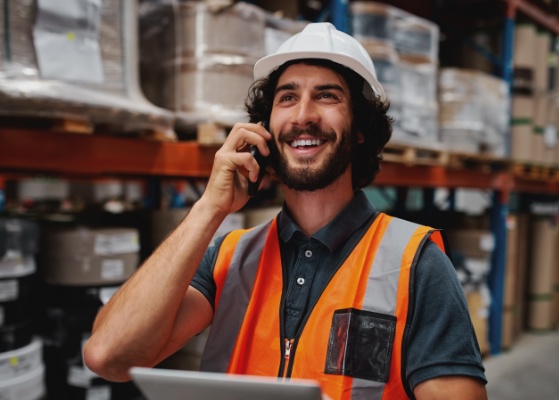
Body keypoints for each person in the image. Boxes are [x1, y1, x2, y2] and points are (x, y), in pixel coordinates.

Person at [83, 22, 488, 399]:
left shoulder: (416, 264)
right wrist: (209, 208)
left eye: (327, 96)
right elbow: (108, 357)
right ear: (265, 130)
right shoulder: (229, 258)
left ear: (360, 129)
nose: (303, 116)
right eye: (287, 97)